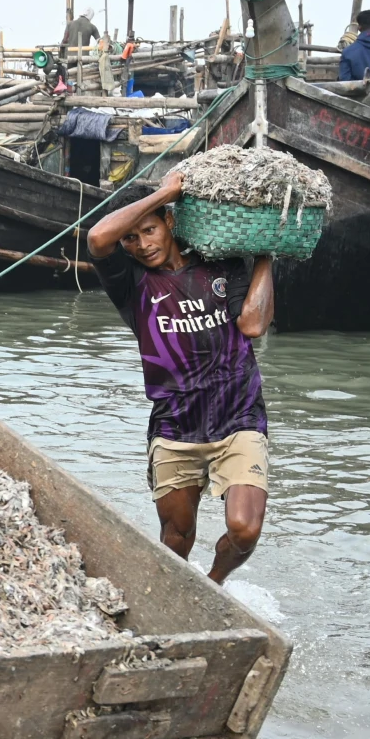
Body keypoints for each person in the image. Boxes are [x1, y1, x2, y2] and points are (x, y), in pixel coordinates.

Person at [85, 171, 274, 584]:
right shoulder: (131, 280)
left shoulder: (220, 265)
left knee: (245, 529)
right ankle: (175, 595)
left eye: (150, 230)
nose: (143, 245)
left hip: (238, 415)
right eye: (131, 238)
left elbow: (255, 325)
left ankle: (214, 583)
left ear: (170, 223)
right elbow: (99, 239)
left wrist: (265, 254)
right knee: (177, 537)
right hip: (175, 423)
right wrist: (167, 191)